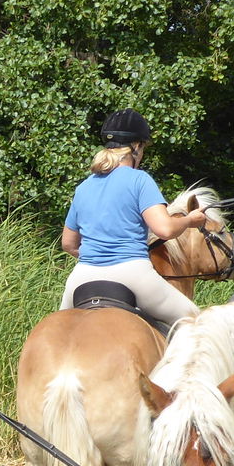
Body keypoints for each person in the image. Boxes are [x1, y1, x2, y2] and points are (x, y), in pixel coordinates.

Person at [59, 108, 210, 327]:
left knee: (59, 328)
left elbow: (68, 243)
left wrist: (99, 257)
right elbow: (165, 229)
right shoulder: (139, 180)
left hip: (83, 276)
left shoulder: (84, 187)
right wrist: (190, 220)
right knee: (200, 324)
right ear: (136, 147)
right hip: (132, 273)